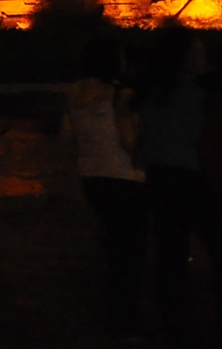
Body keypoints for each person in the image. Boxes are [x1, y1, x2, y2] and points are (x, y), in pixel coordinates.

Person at [137, 24, 220, 345]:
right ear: (181, 56)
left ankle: (176, 326)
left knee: (171, 257)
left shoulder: (149, 92)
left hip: (160, 179)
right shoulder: (198, 94)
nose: (203, 56)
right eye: (196, 51)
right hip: (193, 180)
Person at [66, 36, 147, 342]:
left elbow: (68, 134)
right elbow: (129, 139)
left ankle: (112, 313)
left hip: (91, 175)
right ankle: (125, 320)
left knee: (114, 248)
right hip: (124, 177)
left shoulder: (73, 93)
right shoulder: (120, 94)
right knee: (130, 254)